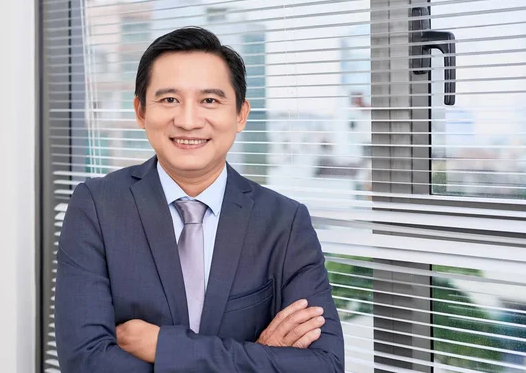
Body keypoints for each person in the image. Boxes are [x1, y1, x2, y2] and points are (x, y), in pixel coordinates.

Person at [55, 26, 344, 372]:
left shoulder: (285, 221)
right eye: (169, 100)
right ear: (141, 112)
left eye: (209, 100)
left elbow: (323, 365)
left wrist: (165, 347)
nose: (188, 120)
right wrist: (259, 354)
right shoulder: (97, 207)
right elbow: (85, 361)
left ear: (240, 114)